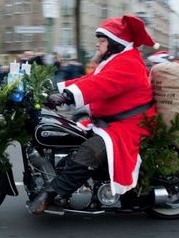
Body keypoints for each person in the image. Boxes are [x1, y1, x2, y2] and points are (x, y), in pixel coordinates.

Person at [28, 15, 157, 214]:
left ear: (116, 43)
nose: (98, 44)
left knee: (89, 152)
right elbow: (87, 79)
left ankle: (51, 195)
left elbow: (100, 85)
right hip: (109, 121)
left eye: (102, 40)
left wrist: (64, 98)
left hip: (128, 126)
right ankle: (61, 181)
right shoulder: (116, 60)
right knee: (69, 137)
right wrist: (49, 89)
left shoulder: (129, 63)